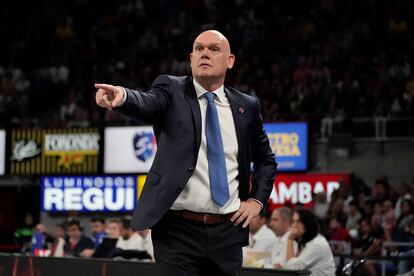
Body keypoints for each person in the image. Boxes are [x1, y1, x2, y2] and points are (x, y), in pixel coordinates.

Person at [95, 29, 277, 275]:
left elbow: (266, 160)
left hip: (227, 232)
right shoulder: (171, 89)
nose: (205, 54)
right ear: (191, 58)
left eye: (214, 49)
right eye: (199, 49)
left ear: (230, 60)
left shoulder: (247, 106)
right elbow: (147, 102)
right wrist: (124, 96)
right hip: (176, 231)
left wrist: (256, 201)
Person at [281, 209, 336, 276]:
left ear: (307, 224)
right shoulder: (304, 240)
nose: (294, 225)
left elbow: (292, 269)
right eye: (293, 221)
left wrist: (290, 239)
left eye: (298, 222)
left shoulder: (317, 244)